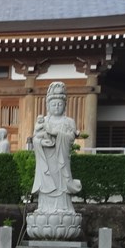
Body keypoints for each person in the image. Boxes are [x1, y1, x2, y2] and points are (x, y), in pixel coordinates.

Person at [31, 82, 82, 212]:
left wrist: (56, 133)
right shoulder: (44, 121)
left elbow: (70, 138)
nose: (57, 107)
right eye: (53, 104)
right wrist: (41, 143)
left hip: (61, 160)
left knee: (62, 185)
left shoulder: (69, 121)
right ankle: (44, 207)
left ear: (65, 105)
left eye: (60, 104)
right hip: (47, 159)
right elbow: (35, 138)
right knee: (47, 182)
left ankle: (63, 207)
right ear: (48, 105)